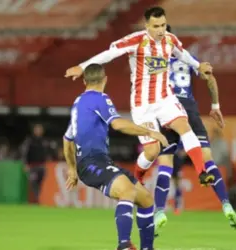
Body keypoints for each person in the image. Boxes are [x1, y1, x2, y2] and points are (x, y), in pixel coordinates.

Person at [65, 6, 215, 187]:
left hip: (165, 98)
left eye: (163, 25)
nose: (161, 30)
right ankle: (138, 176)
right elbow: (109, 54)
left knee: (184, 127)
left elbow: (182, 54)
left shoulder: (170, 40)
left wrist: (198, 66)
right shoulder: (135, 41)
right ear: (146, 25)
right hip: (142, 104)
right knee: (152, 151)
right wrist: (82, 67)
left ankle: (202, 172)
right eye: (156, 26)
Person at [63, 64, 169, 250]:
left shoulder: (77, 104)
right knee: (127, 191)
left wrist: (72, 169)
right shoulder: (101, 99)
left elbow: (67, 140)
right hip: (92, 162)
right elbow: (118, 124)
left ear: (84, 81)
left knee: (146, 200)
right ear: (105, 79)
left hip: (94, 163)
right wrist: (151, 132)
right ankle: (123, 245)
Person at [150, 25, 236, 235]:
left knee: (165, 163)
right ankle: (226, 204)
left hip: (168, 109)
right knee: (207, 159)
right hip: (190, 109)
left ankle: (160, 212)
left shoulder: (154, 58)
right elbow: (209, 76)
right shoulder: (186, 56)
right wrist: (216, 106)